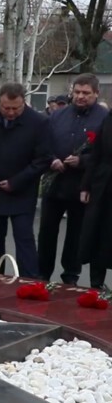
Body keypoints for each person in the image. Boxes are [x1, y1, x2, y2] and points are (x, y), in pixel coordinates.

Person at [38, 73, 107, 287]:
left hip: (82, 186)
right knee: (47, 232)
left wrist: (82, 160)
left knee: (76, 234)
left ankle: (70, 275)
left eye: (86, 93)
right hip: (55, 183)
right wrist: (52, 160)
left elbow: (105, 153)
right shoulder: (58, 115)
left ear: (96, 93)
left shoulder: (104, 118)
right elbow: (43, 143)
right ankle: (42, 274)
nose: (80, 96)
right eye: (77, 92)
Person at [0, 82, 51, 278]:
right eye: (6, 108)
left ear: (24, 103)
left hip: (22, 191)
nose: (10, 112)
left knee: (24, 238)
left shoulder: (39, 122)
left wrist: (16, 181)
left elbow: (43, 159)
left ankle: (29, 281)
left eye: (15, 108)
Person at [80, 107, 112, 288]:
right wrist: (86, 185)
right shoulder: (108, 119)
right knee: (100, 234)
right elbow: (96, 155)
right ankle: (96, 284)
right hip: (104, 185)